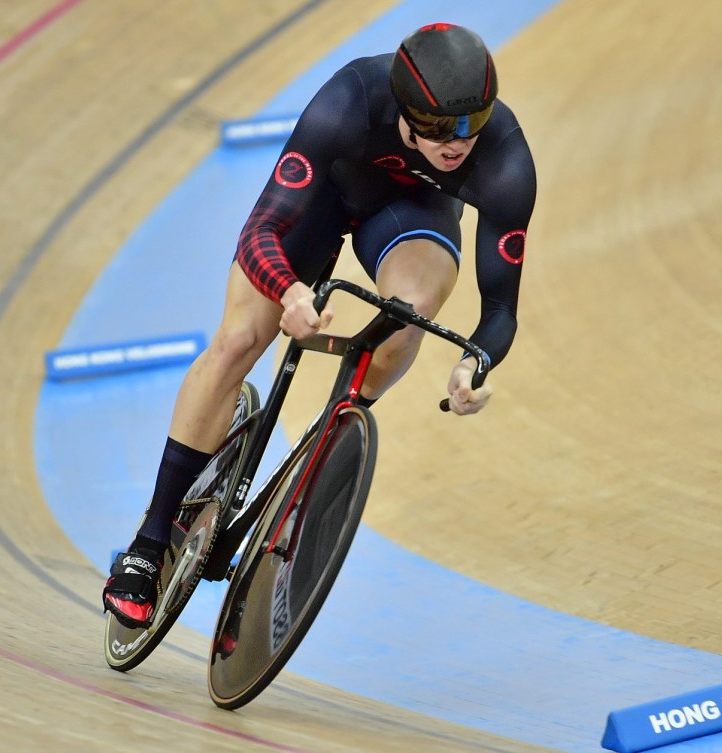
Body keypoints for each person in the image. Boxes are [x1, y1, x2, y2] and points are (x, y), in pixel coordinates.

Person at [103, 22, 536, 627]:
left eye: (474, 122)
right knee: (238, 341)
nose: (457, 143)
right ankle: (150, 542)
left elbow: (499, 312)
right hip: (322, 201)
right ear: (405, 111)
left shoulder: (506, 161)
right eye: (439, 128)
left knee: (407, 316)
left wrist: (474, 362)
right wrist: (290, 290)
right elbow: (262, 232)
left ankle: (327, 442)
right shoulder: (350, 99)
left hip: (410, 213)